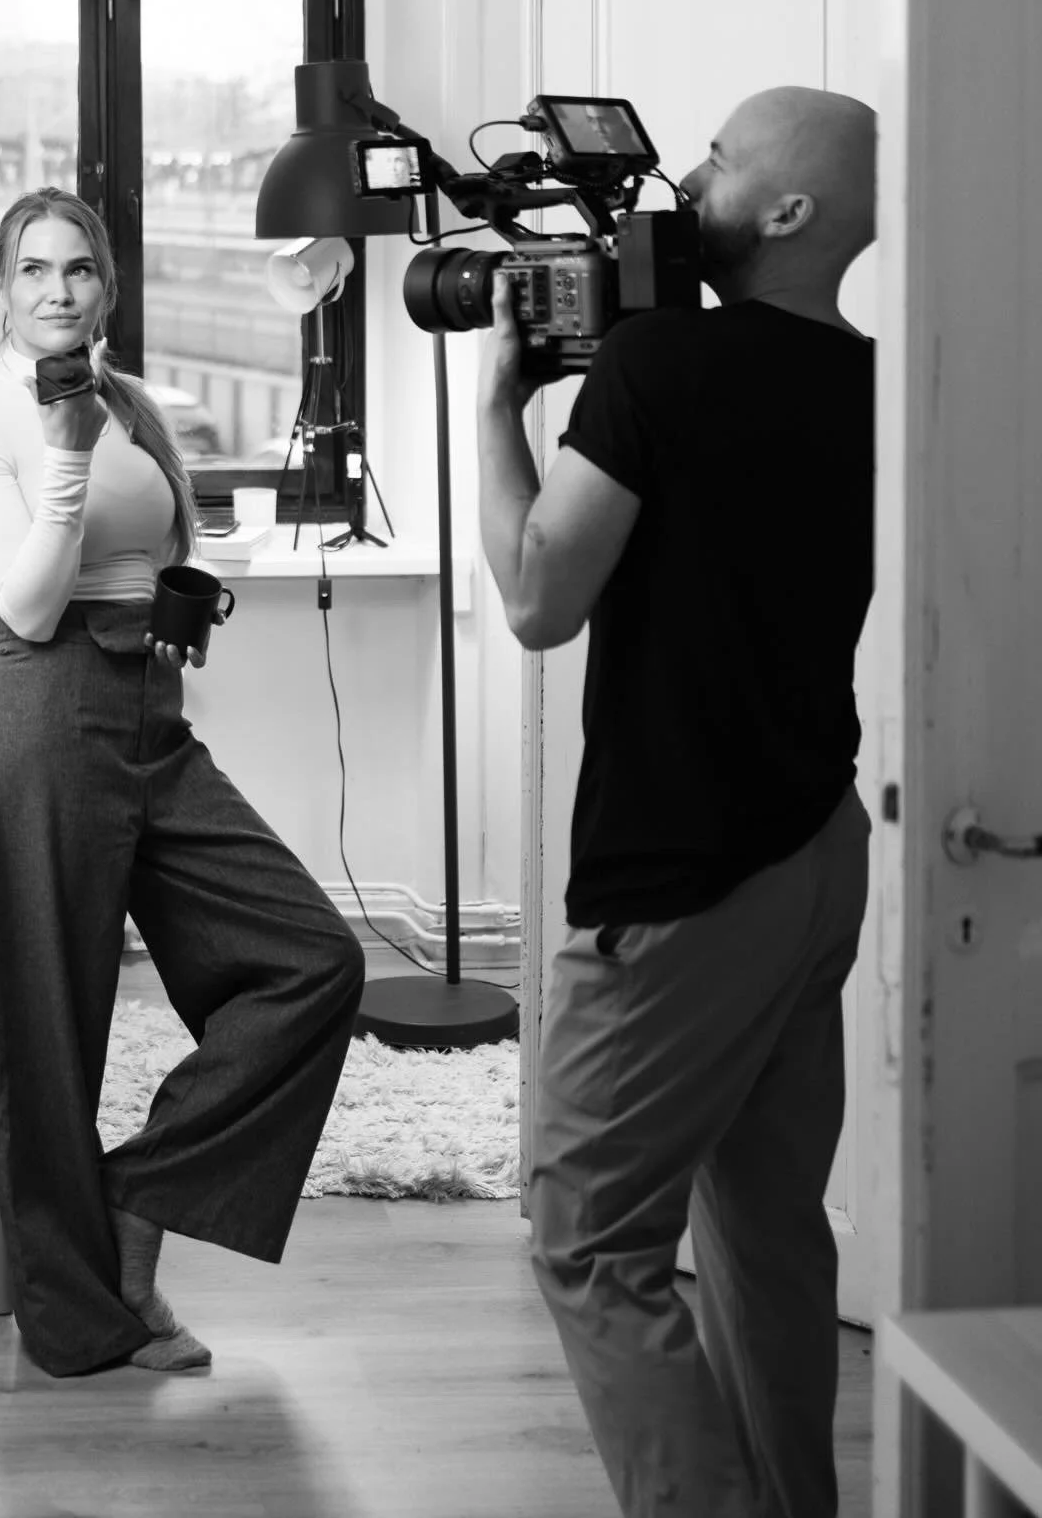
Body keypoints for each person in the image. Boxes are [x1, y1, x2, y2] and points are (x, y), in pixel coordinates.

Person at [475, 86, 877, 1517]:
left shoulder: (660, 366)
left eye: (716, 159)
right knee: (767, 1229)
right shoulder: (881, 383)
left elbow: (535, 596)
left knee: (589, 1243)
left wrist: (497, 411)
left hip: (687, 874)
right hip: (816, 846)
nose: (687, 179)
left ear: (786, 212)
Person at [0, 185, 365, 1378]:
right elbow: (23, 602)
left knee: (313, 963)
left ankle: (138, 1196)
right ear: (2, 290)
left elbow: (154, 550)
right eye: (32, 271)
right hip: (40, 717)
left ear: (108, 286)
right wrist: (65, 468)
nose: (58, 291)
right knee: (46, 1037)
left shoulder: (129, 403)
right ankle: (82, 1323)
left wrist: (185, 589)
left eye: (78, 270)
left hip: (149, 714)